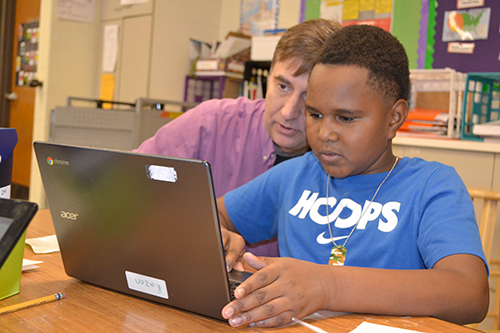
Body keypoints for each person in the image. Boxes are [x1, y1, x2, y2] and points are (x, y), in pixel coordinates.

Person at [218, 24, 489, 328]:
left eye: (346, 118)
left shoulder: (431, 186)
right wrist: (219, 234)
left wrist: (327, 285)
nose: (325, 133)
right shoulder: (295, 175)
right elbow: (212, 215)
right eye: (315, 114)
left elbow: (470, 294)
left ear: (394, 118)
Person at [134, 19, 342, 257]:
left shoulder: (340, 162)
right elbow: (129, 180)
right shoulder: (212, 121)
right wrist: (202, 230)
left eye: (308, 96)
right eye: (283, 86)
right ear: (268, 77)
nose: (288, 111)